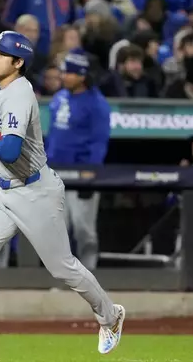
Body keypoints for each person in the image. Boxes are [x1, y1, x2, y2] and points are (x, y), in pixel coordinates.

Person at [0, 0, 125, 361]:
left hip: (34, 190)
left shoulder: (20, 96)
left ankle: (110, 315)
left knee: (62, 268)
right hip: (3, 191)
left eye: (1, 55)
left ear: (18, 62)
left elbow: (9, 150)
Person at [46, 48, 111, 271]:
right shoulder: (59, 98)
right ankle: (59, 276)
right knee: (56, 230)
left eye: (70, 73)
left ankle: (89, 274)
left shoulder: (97, 105)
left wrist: (91, 176)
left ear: (82, 76)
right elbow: (52, 136)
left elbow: (98, 143)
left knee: (84, 230)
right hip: (55, 174)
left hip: (82, 174)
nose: (64, 77)